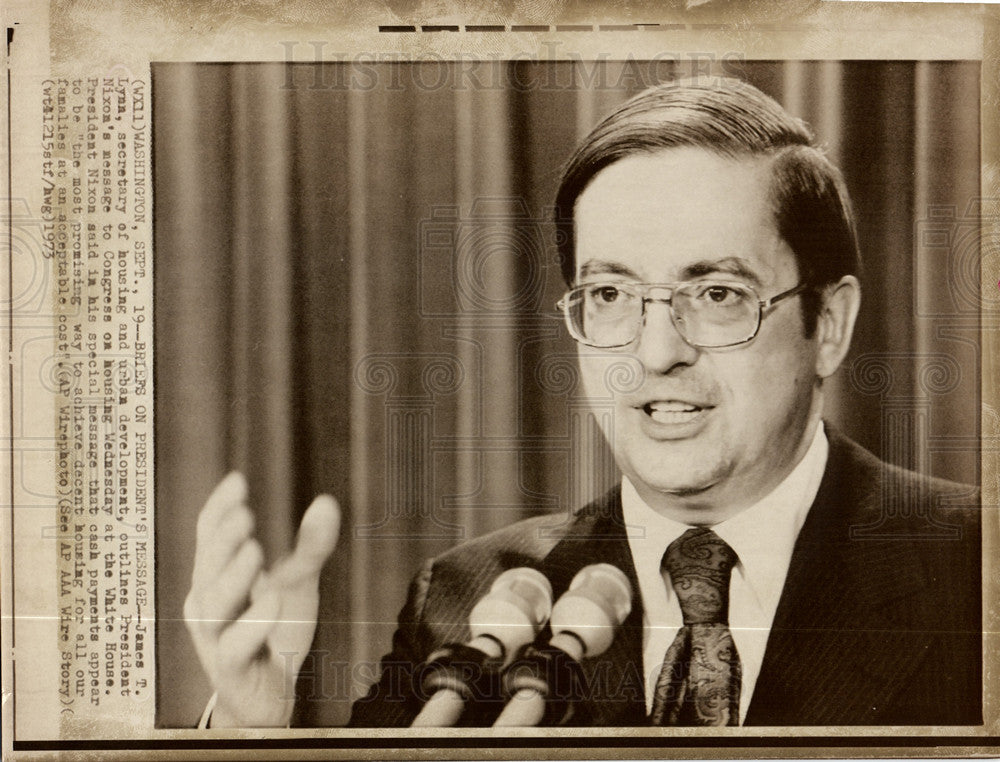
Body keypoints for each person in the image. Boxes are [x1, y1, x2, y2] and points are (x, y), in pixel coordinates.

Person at [184, 78, 981, 728]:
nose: (656, 351)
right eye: (610, 293)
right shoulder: (465, 601)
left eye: (715, 292)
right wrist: (254, 737)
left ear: (829, 324)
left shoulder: (976, 568)